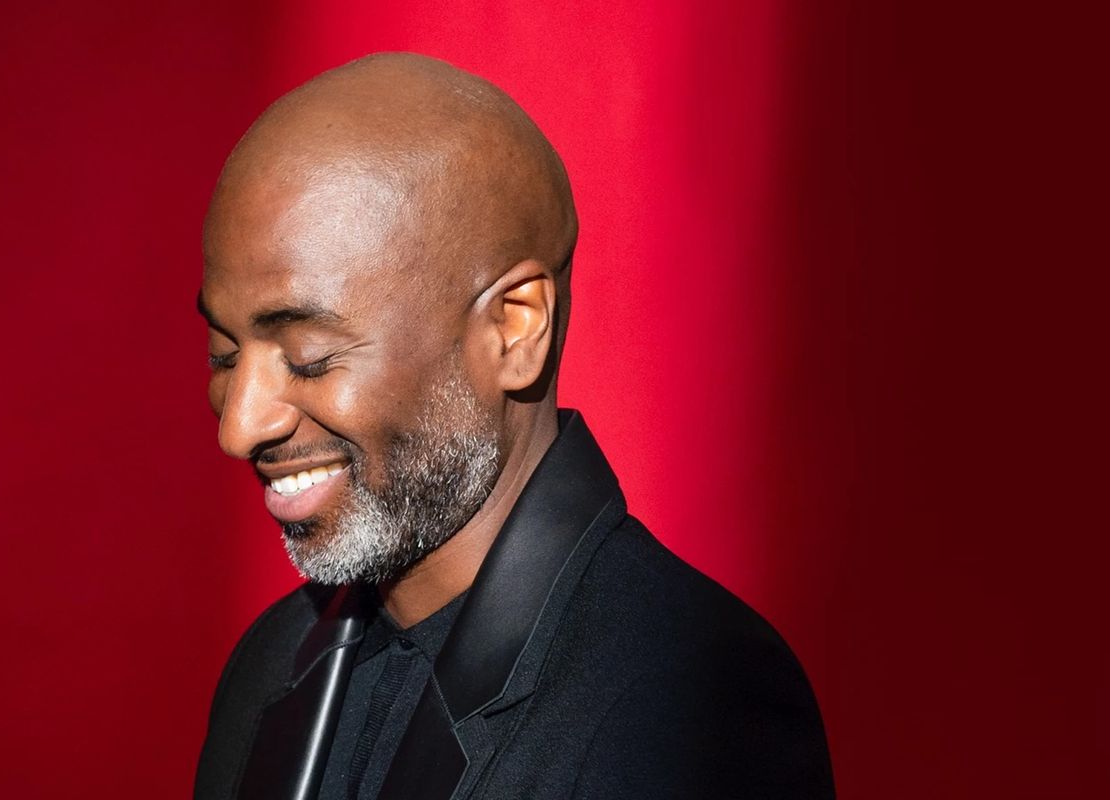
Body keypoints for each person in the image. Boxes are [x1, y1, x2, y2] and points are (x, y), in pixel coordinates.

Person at [193, 53, 833, 800]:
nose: (240, 426)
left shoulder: (690, 699)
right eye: (224, 355)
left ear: (513, 327)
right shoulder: (270, 666)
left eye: (309, 357)